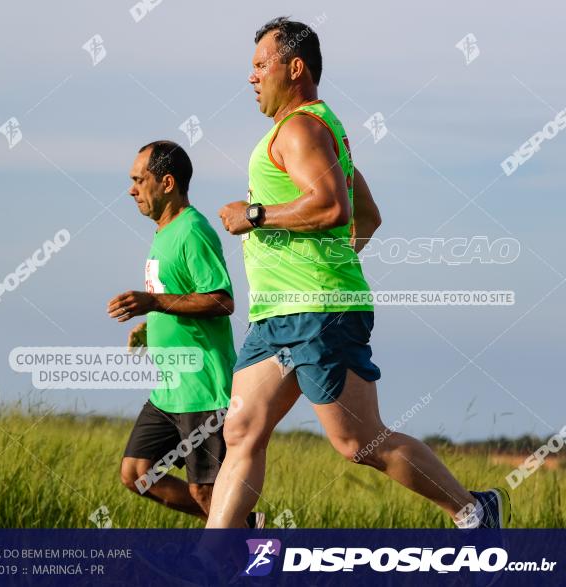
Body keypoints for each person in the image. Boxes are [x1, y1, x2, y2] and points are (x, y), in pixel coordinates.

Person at [211, 17, 510, 529]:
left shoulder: (301, 127)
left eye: (261, 64)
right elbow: (366, 212)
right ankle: (215, 560)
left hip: (316, 312)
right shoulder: (317, 132)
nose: (252, 77)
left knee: (358, 441)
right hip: (278, 314)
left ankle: (474, 511)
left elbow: (333, 206)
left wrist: (255, 216)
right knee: (240, 429)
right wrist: (331, 262)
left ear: (295, 66)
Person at [108, 140, 262, 527]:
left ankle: (252, 550)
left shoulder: (192, 231)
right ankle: (244, 522)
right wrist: (152, 325)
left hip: (202, 391)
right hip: (168, 393)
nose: (131, 190)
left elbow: (221, 300)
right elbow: (179, 297)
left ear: (167, 182)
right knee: (137, 473)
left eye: (139, 180)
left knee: (205, 492)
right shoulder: (164, 232)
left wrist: (155, 304)